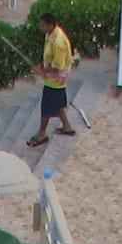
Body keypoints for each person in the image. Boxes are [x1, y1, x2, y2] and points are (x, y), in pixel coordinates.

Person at [27, 14, 75, 148]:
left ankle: (41, 134)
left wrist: (41, 71)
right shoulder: (51, 34)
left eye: (43, 26)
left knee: (46, 108)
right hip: (55, 80)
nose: (41, 28)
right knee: (57, 103)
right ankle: (67, 126)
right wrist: (42, 66)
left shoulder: (58, 42)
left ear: (50, 25)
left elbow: (57, 66)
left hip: (55, 81)